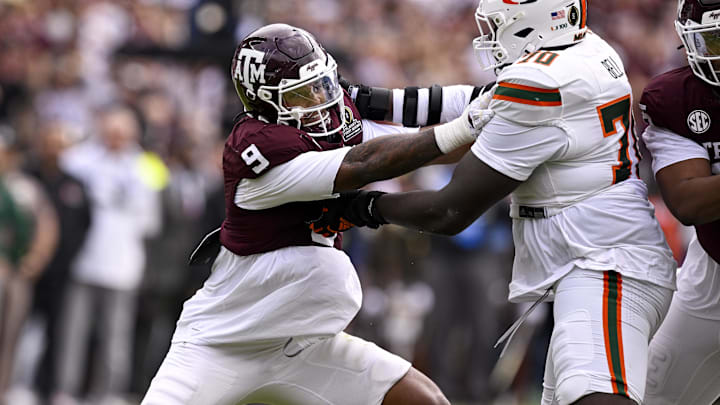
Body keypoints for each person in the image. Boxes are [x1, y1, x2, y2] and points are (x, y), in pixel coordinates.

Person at [313, 1, 679, 404]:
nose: (488, 37)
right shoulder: (583, 51)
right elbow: (479, 101)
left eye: (497, 25)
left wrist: (360, 208)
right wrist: (369, 99)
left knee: (593, 396)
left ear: (536, 23)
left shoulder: (540, 83)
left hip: (603, 264)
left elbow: (450, 210)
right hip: (600, 255)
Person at [142, 23, 495, 405]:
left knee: (426, 401)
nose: (320, 100)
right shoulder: (260, 149)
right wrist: (465, 127)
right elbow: (369, 163)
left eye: (322, 86)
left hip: (304, 344)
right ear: (264, 102)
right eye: (301, 95)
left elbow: (418, 126)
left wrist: (500, 100)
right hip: (224, 342)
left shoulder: (329, 115)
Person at [639, 0, 720, 404]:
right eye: (716, 39)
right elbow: (688, 200)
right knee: (657, 395)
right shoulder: (677, 97)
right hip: (714, 271)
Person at [53, 104, 162, 405]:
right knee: (73, 332)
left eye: (122, 132)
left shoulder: (146, 165)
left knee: (116, 336)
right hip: (84, 259)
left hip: (124, 262)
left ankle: (108, 392)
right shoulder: (82, 158)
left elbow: (151, 221)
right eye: (111, 131)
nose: (116, 138)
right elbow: (66, 169)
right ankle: (66, 388)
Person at [0, 125, 59, 400]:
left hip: (17, 271)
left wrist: (35, 260)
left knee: (11, 332)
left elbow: (46, 225)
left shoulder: (23, 187)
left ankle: (4, 387)